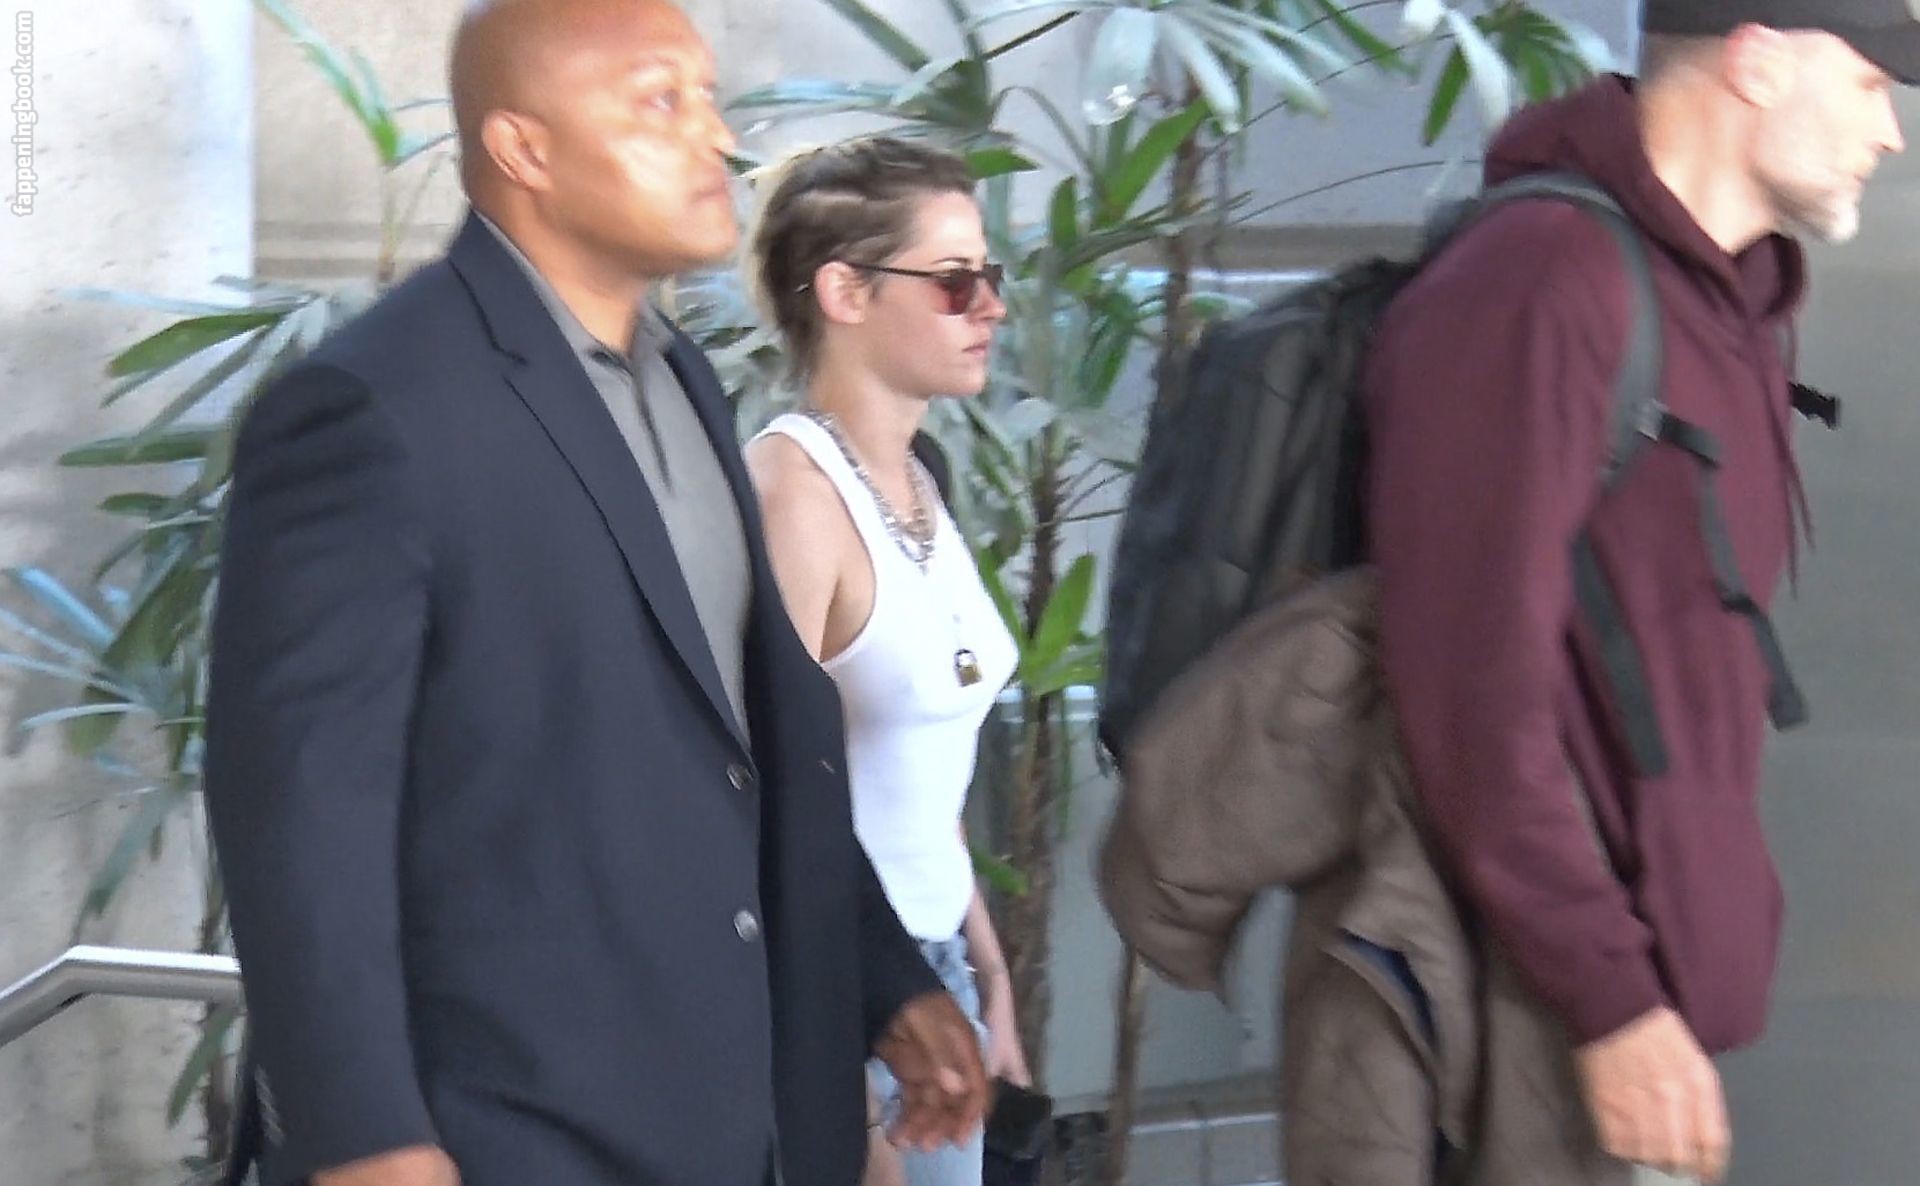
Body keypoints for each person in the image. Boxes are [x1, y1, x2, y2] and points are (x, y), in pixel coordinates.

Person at [201, 3, 989, 1185]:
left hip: (735, 1116)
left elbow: (752, 742)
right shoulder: (374, 405)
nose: (717, 137)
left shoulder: (685, 380)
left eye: (709, 96)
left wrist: (885, 977)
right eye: (660, 101)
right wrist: (363, 1132)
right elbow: (301, 807)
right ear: (525, 148)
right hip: (508, 1129)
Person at [1364, 1, 1912, 1183]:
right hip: (1534, 1008)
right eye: (1871, 84)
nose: (1892, 132)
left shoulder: (1731, 301)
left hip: (1653, 998)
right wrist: (1609, 1001)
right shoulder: (1538, 279)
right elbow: (1469, 690)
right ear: (1757, 62)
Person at [740, 137, 1026, 1186]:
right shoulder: (793, 496)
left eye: (990, 275)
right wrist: (848, 1103)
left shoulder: (922, 473)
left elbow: (924, 776)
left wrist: (990, 979)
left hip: (937, 979)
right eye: (954, 281)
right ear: (846, 292)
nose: (990, 306)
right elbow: (762, 797)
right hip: (848, 1005)